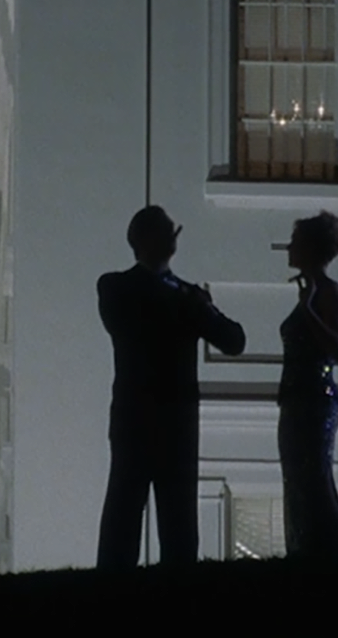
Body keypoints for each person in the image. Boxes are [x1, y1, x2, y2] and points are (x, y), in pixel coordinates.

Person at [96, 205, 246, 570]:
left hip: (174, 424)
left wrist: (203, 310)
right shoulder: (117, 286)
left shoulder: (186, 296)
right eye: (165, 232)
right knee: (123, 516)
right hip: (138, 420)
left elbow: (234, 341)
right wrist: (191, 306)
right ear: (144, 241)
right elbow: (130, 323)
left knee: (178, 523)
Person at [278, 210, 338, 557]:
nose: (289, 248)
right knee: (298, 480)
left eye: (295, 242)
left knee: (315, 480)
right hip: (296, 400)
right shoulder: (314, 291)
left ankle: (332, 553)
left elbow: (337, 348)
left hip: (314, 401)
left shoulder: (327, 291)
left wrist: (307, 309)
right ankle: (305, 550)